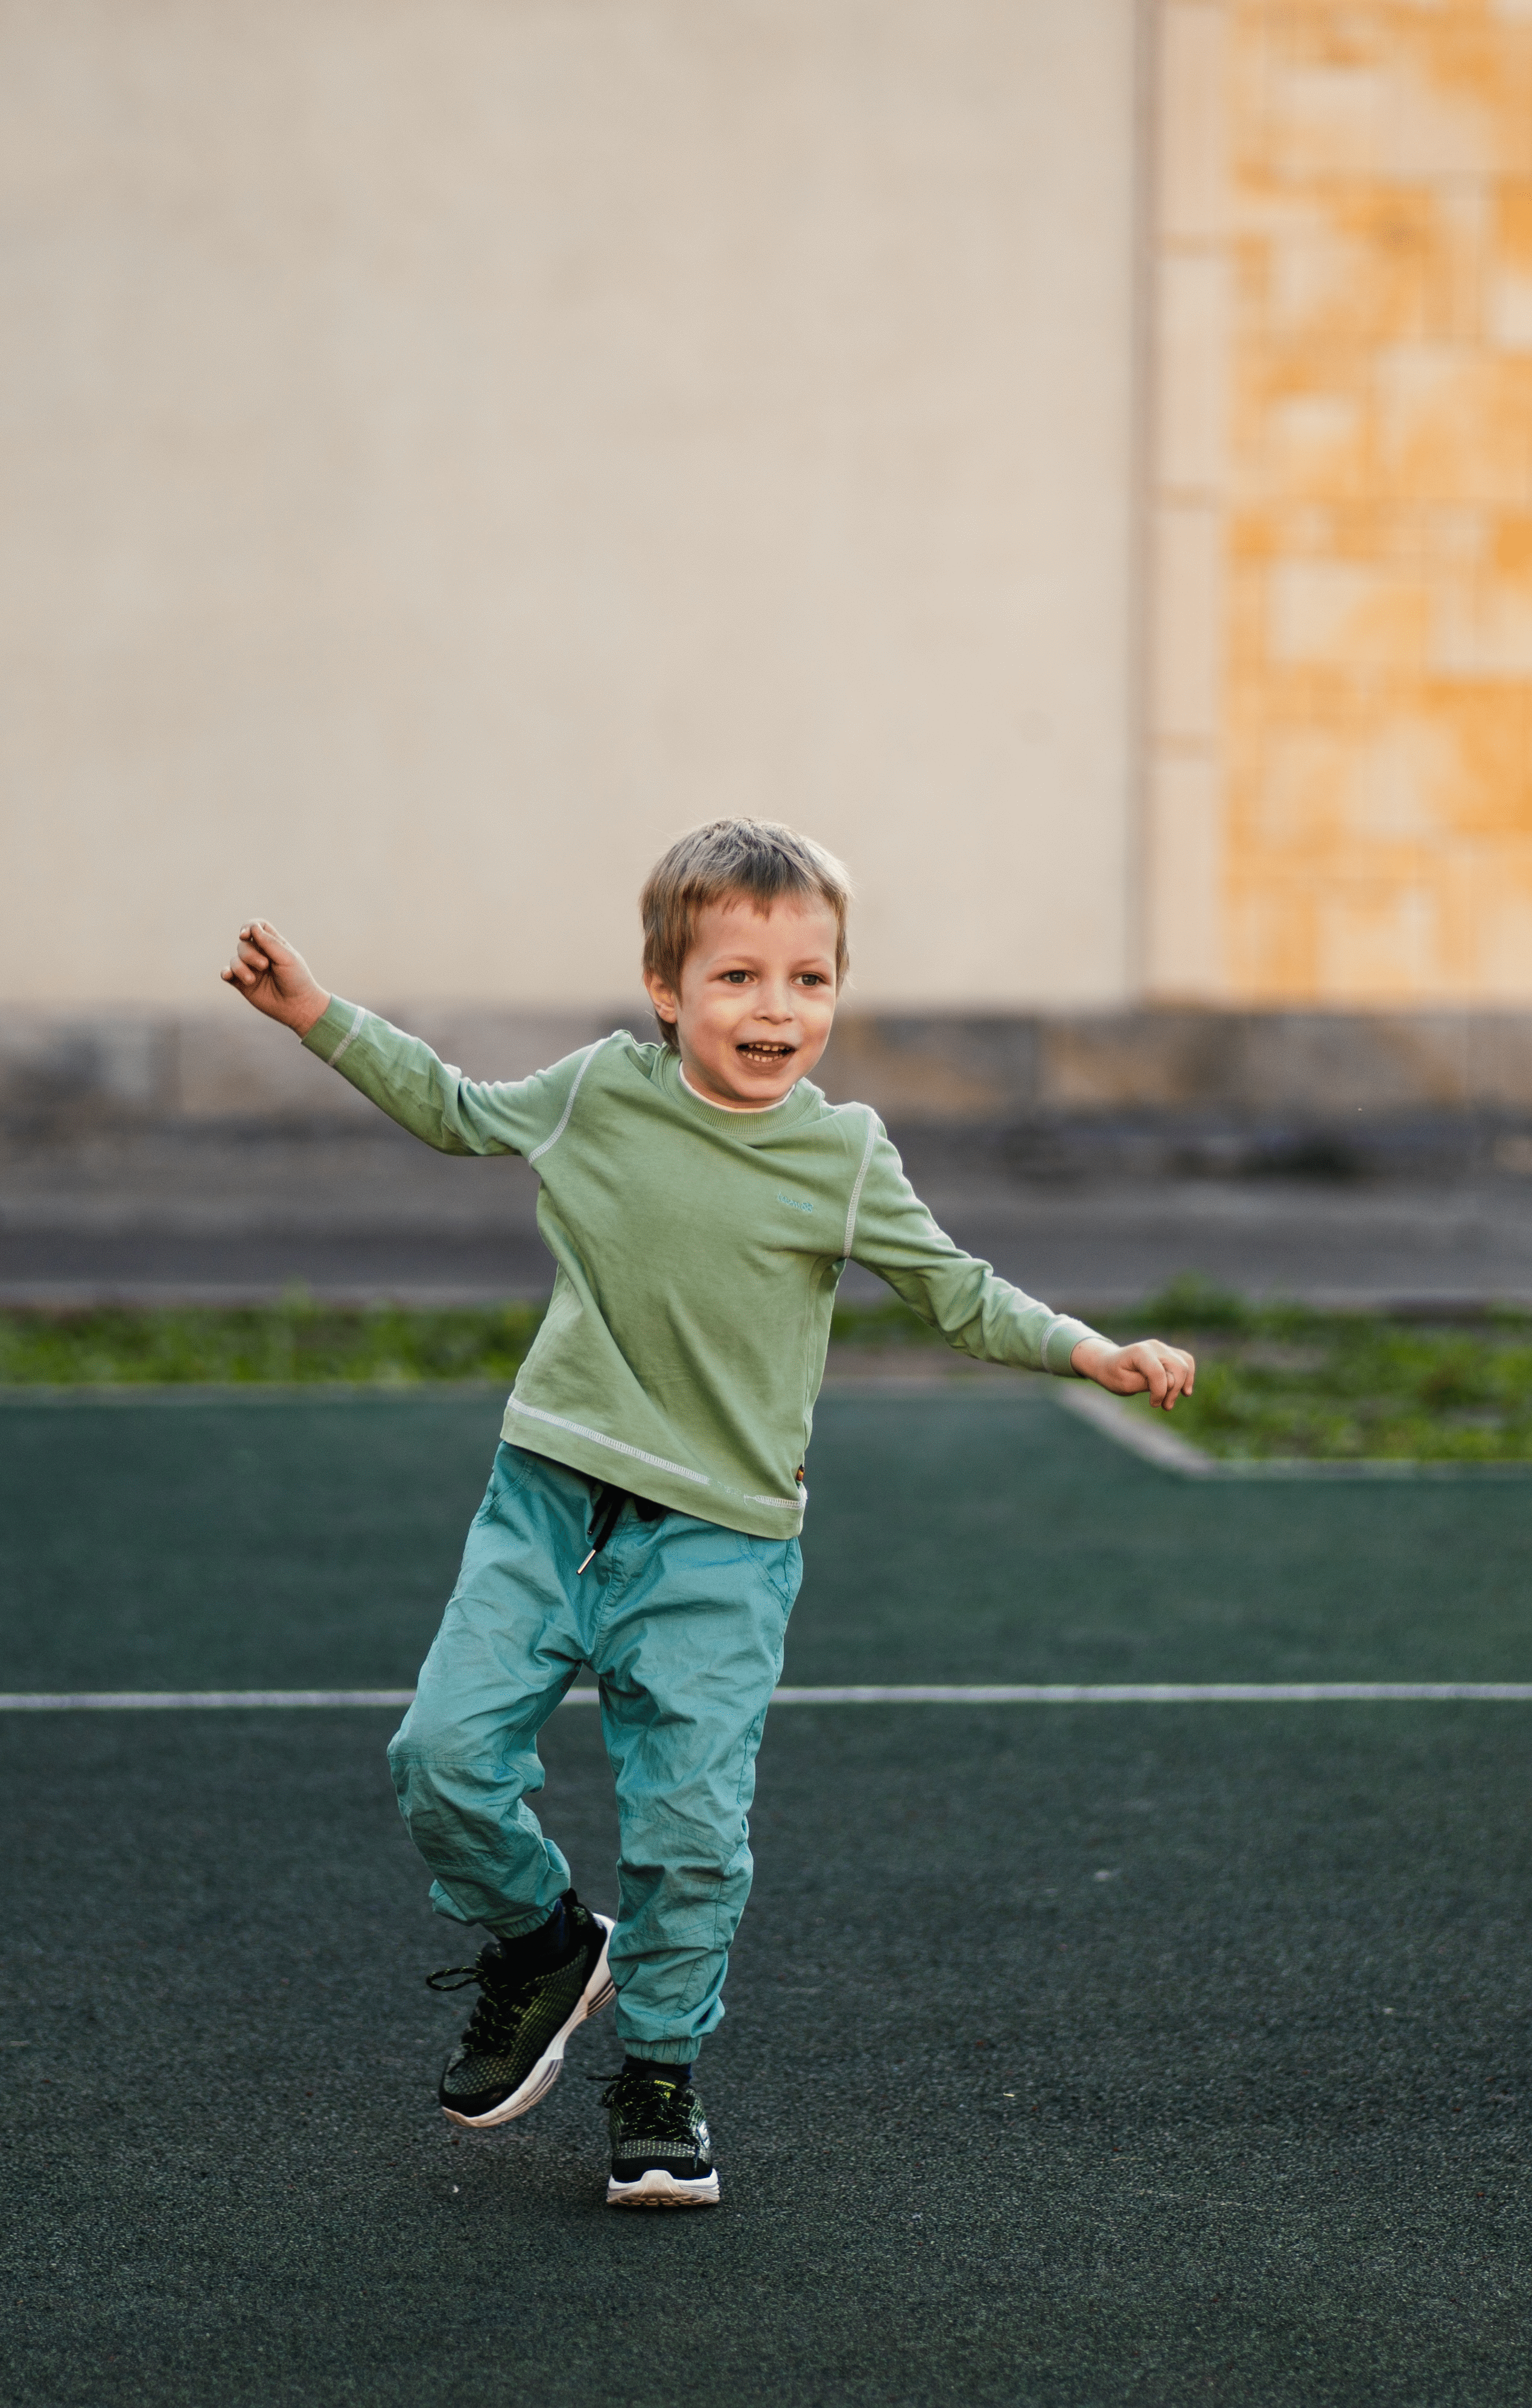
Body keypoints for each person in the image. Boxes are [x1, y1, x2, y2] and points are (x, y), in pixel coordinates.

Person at [221, 817, 1197, 2208]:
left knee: (689, 1833)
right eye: (737, 977)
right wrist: (315, 1014)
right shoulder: (595, 1094)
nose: (775, 1009)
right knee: (437, 1755)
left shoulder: (843, 1155)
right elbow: (452, 1109)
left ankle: (658, 2075)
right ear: (665, 988)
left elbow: (959, 1290)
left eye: (808, 978)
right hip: (547, 1500)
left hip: (723, 1541)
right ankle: (543, 1940)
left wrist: (1088, 1348)